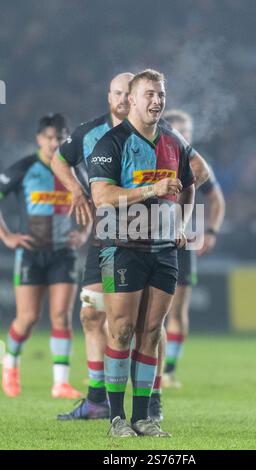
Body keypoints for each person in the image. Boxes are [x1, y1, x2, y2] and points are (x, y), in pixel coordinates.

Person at [88, 69, 208, 437]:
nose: (157, 101)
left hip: (163, 249)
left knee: (152, 332)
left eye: (161, 95)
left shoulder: (174, 141)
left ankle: (143, 417)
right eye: (150, 95)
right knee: (121, 329)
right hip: (120, 247)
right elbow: (102, 198)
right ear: (132, 100)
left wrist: (185, 224)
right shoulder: (111, 143)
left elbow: (193, 178)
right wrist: (151, 191)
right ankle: (116, 418)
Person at [52, 73, 133, 420]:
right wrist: (76, 189)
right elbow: (59, 159)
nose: (123, 99)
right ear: (108, 96)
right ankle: (97, 400)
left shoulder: (152, 135)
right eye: (118, 93)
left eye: (129, 93)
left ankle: (148, 403)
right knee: (90, 314)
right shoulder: (89, 132)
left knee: (135, 324)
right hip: (103, 237)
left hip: (140, 237)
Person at [0, 113, 90, 398]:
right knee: (27, 318)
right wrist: (6, 236)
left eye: (60, 138)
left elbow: (93, 202)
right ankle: (10, 363)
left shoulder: (75, 171)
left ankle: (60, 383)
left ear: (66, 139)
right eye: (49, 138)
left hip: (63, 253)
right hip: (30, 253)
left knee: (61, 316)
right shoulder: (24, 168)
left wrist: (84, 233)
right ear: (39, 139)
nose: (54, 143)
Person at [162, 109, 225, 388]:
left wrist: (211, 231)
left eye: (188, 131)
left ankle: (169, 371)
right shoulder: (158, 158)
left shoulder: (197, 165)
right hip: (148, 239)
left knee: (176, 311)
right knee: (144, 311)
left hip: (183, 242)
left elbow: (217, 200)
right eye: (180, 130)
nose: (185, 135)